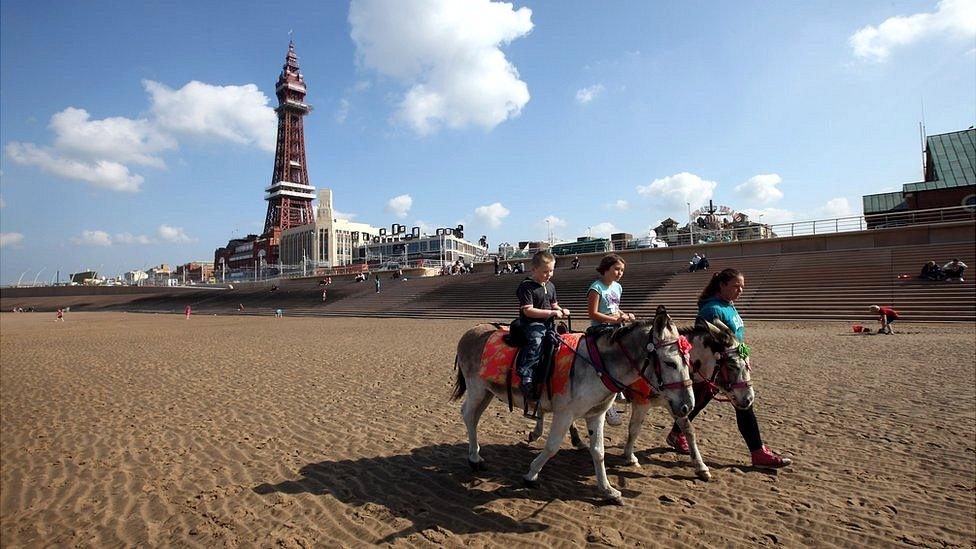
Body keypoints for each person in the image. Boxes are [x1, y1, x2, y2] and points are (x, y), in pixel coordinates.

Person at [666, 268, 792, 468]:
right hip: (721, 368)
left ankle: (676, 433)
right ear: (722, 285)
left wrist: (743, 355)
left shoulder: (728, 305)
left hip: (733, 364)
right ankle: (758, 453)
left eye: (742, 286)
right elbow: (703, 340)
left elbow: (735, 338)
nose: (740, 290)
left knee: (699, 401)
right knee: (742, 404)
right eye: (735, 286)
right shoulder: (712, 309)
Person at [586, 253, 636, 427]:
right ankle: (609, 405)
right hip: (601, 328)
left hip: (615, 326)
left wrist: (624, 315)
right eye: (616, 269)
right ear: (606, 269)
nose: (619, 272)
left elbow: (616, 308)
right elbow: (593, 314)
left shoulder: (618, 287)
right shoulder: (596, 288)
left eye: (622, 270)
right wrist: (614, 319)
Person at [515, 251, 571, 403]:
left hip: (548, 323)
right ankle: (525, 374)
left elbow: (554, 304)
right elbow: (528, 310)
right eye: (545, 271)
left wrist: (560, 310)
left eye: (551, 271)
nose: (549, 275)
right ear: (533, 269)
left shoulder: (550, 285)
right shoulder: (526, 286)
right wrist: (552, 312)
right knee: (536, 341)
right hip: (531, 323)